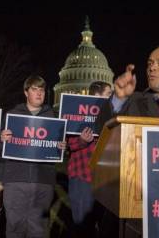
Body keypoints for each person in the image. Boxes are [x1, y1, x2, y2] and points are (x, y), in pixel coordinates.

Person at [0, 75, 66, 238]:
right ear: (26, 92)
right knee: (14, 227)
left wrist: (62, 147)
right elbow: (1, 149)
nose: (39, 93)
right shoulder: (12, 115)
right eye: (34, 89)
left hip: (43, 181)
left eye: (41, 90)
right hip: (16, 180)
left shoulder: (53, 117)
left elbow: (57, 151)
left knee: (39, 229)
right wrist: (1, 140)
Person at [66, 81, 112, 238]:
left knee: (104, 225)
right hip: (82, 176)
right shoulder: (76, 114)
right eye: (108, 94)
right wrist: (82, 141)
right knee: (82, 225)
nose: (111, 97)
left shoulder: (110, 114)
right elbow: (66, 143)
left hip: (105, 178)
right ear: (97, 95)